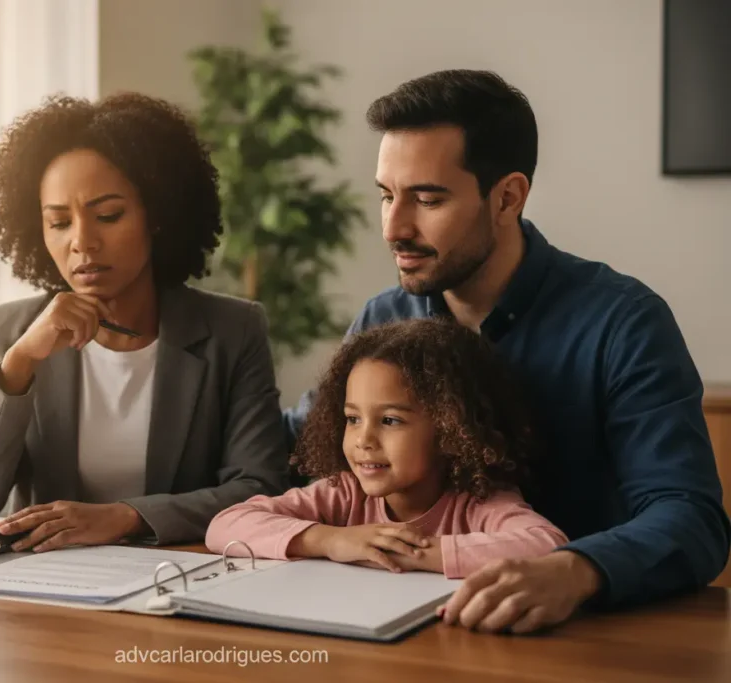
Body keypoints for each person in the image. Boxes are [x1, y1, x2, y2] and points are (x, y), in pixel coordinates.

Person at [284, 69, 730, 633]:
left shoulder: (623, 322)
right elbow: (297, 442)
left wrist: (575, 569)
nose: (394, 227)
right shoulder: (383, 318)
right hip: (390, 626)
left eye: (427, 198)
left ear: (507, 197)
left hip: (581, 638)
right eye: (386, 196)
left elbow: (690, 519)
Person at [0, 92, 288, 550]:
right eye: (59, 223)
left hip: (176, 580)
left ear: (157, 215)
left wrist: (126, 518)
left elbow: (258, 488)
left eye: (108, 215)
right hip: (45, 592)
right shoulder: (9, 331)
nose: (83, 242)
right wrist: (20, 362)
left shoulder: (232, 330)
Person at [207, 319, 569, 580]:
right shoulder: (344, 493)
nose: (364, 439)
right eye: (352, 419)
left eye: (390, 421)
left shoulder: (479, 501)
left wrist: (414, 553)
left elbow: (548, 547)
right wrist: (331, 539)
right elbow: (225, 525)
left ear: (451, 427)